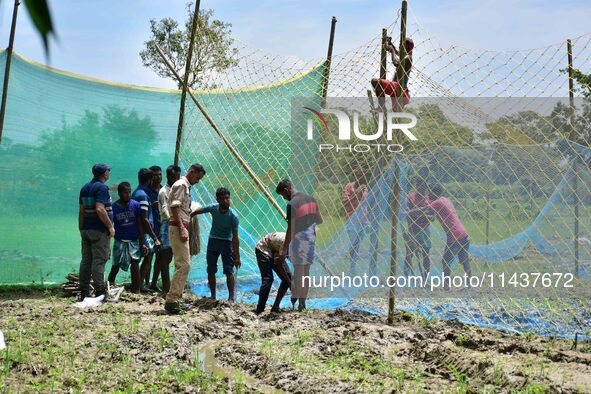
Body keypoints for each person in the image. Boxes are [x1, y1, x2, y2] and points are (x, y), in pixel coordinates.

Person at [164, 163, 206, 314]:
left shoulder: (186, 186)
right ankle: (172, 300)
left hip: (181, 227)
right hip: (177, 227)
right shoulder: (181, 185)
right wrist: (182, 228)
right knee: (184, 265)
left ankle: (176, 298)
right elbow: (175, 207)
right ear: (191, 172)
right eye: (197, 177)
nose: (197, 181)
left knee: (183, 264)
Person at [276, 179, 323, 311]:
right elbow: (320, 220)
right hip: (311, 239)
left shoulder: (292, 204)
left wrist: (284, 248)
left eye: (283, 195)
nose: (284, 198)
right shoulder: (311, 199)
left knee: (298, 272)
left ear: (286, 190)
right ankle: (303, 303)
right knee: (306, 272)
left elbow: (291, 229)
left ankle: (299, 302)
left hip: (299, 240)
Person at [409, 183, 472, 281]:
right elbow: (432, 216)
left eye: (429, 192)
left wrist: (408, 212)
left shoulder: (437, 202)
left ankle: (446, 286)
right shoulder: (446, 200)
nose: (428, 195)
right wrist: (422, 217)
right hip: (463, 233)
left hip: (454, 235)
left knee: (446, 261)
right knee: (464, 260)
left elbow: (423, 209)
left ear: (435, 193)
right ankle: (469, 284)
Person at [192, 187, 241, 302]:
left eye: (227, 198)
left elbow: (235, 238)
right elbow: (200, 210)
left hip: (226, 243)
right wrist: (191, 214)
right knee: (211, 270)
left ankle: (231, 298)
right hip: (213, 242)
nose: (225, 201)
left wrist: (237, 256)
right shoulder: (214, 208)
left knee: (229, 270)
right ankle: (213, 296)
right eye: (222, 199)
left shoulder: (233, 216)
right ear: (217, 199)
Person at [78, 163, 114, 300]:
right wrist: (110, 227)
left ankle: (84, 291)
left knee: (86, 261)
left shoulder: (85, 188)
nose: (108, 173)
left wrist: (81, 228)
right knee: (99, 260)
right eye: (107, 171)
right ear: (104, 174)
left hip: (86, 229)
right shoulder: (102, 188)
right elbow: (100, 208)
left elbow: (82, 211)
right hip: (99, 230)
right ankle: (99, 292)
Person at [107, 182, 146, 293]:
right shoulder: (114, 207)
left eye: (129, 192)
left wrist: (142, 242)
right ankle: (109, 287)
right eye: (125, 192)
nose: (128, 194)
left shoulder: (135, 205)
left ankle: (136, 290)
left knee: (135, 265)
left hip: (134, 240)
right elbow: (111, 226)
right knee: (115, 266)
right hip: (120, 241)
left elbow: (140, 224)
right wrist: (108, 246)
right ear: (119, 193)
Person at [132, 168, 161, 292]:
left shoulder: (137, 192)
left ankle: (138, 286)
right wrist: (154, 237)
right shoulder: (143, 195)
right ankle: (139, 286)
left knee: (140, 258)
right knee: (148, 257)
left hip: (140, 231)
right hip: (144, 232)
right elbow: (144, 219)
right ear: (149, 180)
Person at [371, 36, 414, 111]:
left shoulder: (408, 57)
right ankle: (382, 109)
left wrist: (392, 51)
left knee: (375, 82)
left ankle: (381, 107)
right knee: (396, 113)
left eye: (401, 44)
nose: (399, 45)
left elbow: (396, 62)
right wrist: (390, 43)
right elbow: (397, 52)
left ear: (406, 46)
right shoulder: (406, 55)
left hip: (399, 88)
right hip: (396, 91)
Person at [156, 165, 181, 295]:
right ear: (168, 177)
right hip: (168, 226)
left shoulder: (179, 189)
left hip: (178, 224)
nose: (176, 179)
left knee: (178, 258)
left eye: (178, 177)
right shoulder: (163, 192)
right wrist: (178, 219)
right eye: (173, 177)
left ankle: (175, 287)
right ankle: (166, 288)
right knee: (166, 258)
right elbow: (165, 212)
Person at [255, 232, 292, 314]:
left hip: (276, 250)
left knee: (288, 276)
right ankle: (260, 309)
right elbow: (279, 265)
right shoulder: (287, 243)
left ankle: (275, 306)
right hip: (264, 248)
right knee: (268, 279)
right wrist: (290, 284)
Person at [403, 178, 432, 279]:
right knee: (409, 253)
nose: (423, 189)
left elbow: (431, 217)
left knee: (426, 252)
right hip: (413, 229)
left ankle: (426, 277)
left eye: (425, 187)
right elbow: (406, 212)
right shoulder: (410, 197)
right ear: (417, 186)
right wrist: (419, 212)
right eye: (420, 186)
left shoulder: (428, 199)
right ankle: (406, 277)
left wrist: (417, 213)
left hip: (424, 229)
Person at [341, 171, 368, 275]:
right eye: (358, 176)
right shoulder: (349, 187)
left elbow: (366, 203)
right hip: (351, 220)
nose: (360, 178)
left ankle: (353, 268)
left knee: (357, 244)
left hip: (363, 220)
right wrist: (357, 193)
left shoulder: (365, 188)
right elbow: (345, 202)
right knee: (353, 244)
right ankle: (352, 268)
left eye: (362, 176)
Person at [148, 165, 163, 291]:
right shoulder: (147, 191)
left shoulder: (164, 190)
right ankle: (145, 282)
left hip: (163, 227)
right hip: (151, 228)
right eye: (155, 174)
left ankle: (153, 283)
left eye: (159, 174)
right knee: (148, 255)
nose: (157, 177)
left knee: (160, 256)